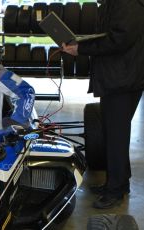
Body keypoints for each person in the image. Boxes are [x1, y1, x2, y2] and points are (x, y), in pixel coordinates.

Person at [62, 0, 144, 209]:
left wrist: (82, 48)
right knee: (113, 133)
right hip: (117, 77)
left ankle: (115, 190)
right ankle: (117, 183)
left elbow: (119, 39)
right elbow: (109, 35)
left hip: (123, 79)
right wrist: (82, 43)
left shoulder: (127, 4)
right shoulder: (114, 3)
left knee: (116, 136)